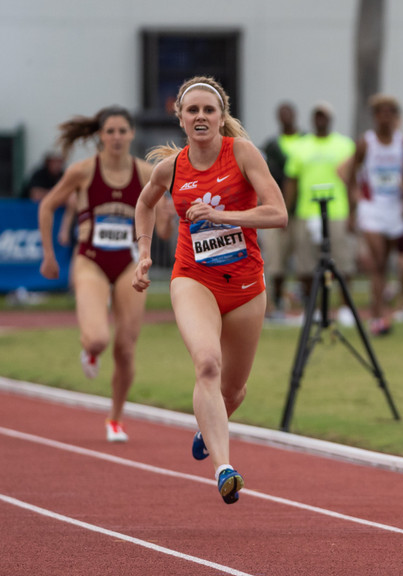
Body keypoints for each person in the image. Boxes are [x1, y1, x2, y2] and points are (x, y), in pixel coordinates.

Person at [132, 77, 288, 504]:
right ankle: (225, 468)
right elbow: (144, 204)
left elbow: (278, 214)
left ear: (222, 117)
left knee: (233, 391)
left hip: (245, 287)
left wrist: (225, 218)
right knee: (206, 364)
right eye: (192, 111)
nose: (200, 117)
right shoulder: (172, 168)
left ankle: (207, 427)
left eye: (208, 110)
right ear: (180, 117)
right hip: (193, 279)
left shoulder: (242, 153)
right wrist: (144, 253)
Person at [37, 106, 173, 443]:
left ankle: (115, 418)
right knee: (99, 337)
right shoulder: (83, 171)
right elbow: (46, 206)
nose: (115, 137)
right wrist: (49, 255)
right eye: (109, 131)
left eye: (121, 131)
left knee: (126, 348)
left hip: (129, 262)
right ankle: (91, 349)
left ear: (131, 135)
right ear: (100, 135)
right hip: (91, 261)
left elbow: (166, 233)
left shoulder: (146, 173)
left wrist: (168, 215)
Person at [341, 94, 403, 335]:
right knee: (378, 262)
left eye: (390, 113)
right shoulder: (367, 142)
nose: (386, 118)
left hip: (394, 208)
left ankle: (384, 311)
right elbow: (351, 175)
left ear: (396, 117)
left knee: (388, 264)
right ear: (375, 117)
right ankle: (376, 316)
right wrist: (352, 210)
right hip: (372, 208)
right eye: (381, 113)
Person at [283, 102, 357, 325]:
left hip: (337, 211)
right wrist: (287, 210)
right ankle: (311, 308)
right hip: (307, 211)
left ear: (330, 119)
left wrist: (354, 211)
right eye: (317, 116)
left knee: (343, 262)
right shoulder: (301, 147)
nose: (320, 119)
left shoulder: (345, 145)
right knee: (306, 264)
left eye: (324, 116)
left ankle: (345, 308)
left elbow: (353, 181)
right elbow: (292, 181)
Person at [261, 102, 304, 318]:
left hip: (303, 211)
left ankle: (306, 305)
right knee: (275, 261)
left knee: (306, 262)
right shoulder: (272, 146)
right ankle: (275, 303)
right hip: (276, 211)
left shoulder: (306, 142)